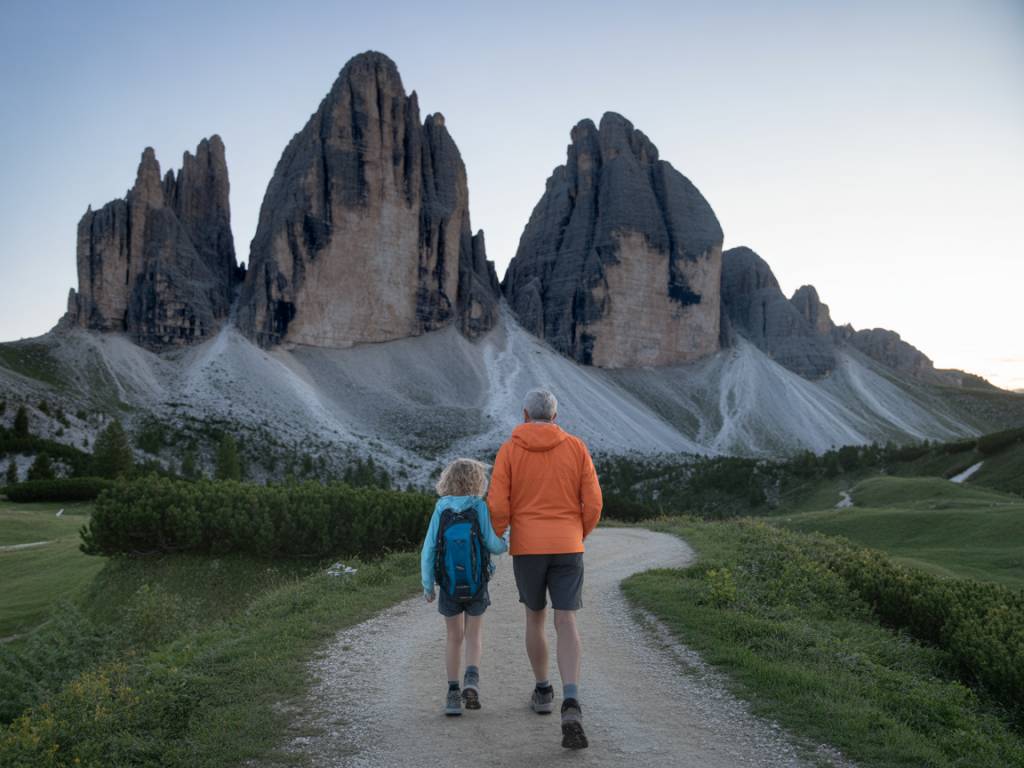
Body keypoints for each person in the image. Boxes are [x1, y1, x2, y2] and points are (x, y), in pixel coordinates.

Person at [487, 389, 603, 750]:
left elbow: (497, 502)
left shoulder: (509, 450)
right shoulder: (576, 447)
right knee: (566, 621)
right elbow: (594, 500)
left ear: (525, 414)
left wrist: (501, 534)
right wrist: (578, 532)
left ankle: (543, 691)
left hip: (528, 547)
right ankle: (571, 699)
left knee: (534, 619)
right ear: (555, 416)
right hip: (569, 544)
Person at [421, 458, 507, 716]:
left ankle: (452, 693)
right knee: (473, 635)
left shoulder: (441, 508)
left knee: (453, 637)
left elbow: (429, 549)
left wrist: (428, 585)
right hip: (476, 584)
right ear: (477, 481)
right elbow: (493, 545)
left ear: (447, 480)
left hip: (448, 585)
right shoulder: (479, 507)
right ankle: (472, 679)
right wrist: (507, 541)